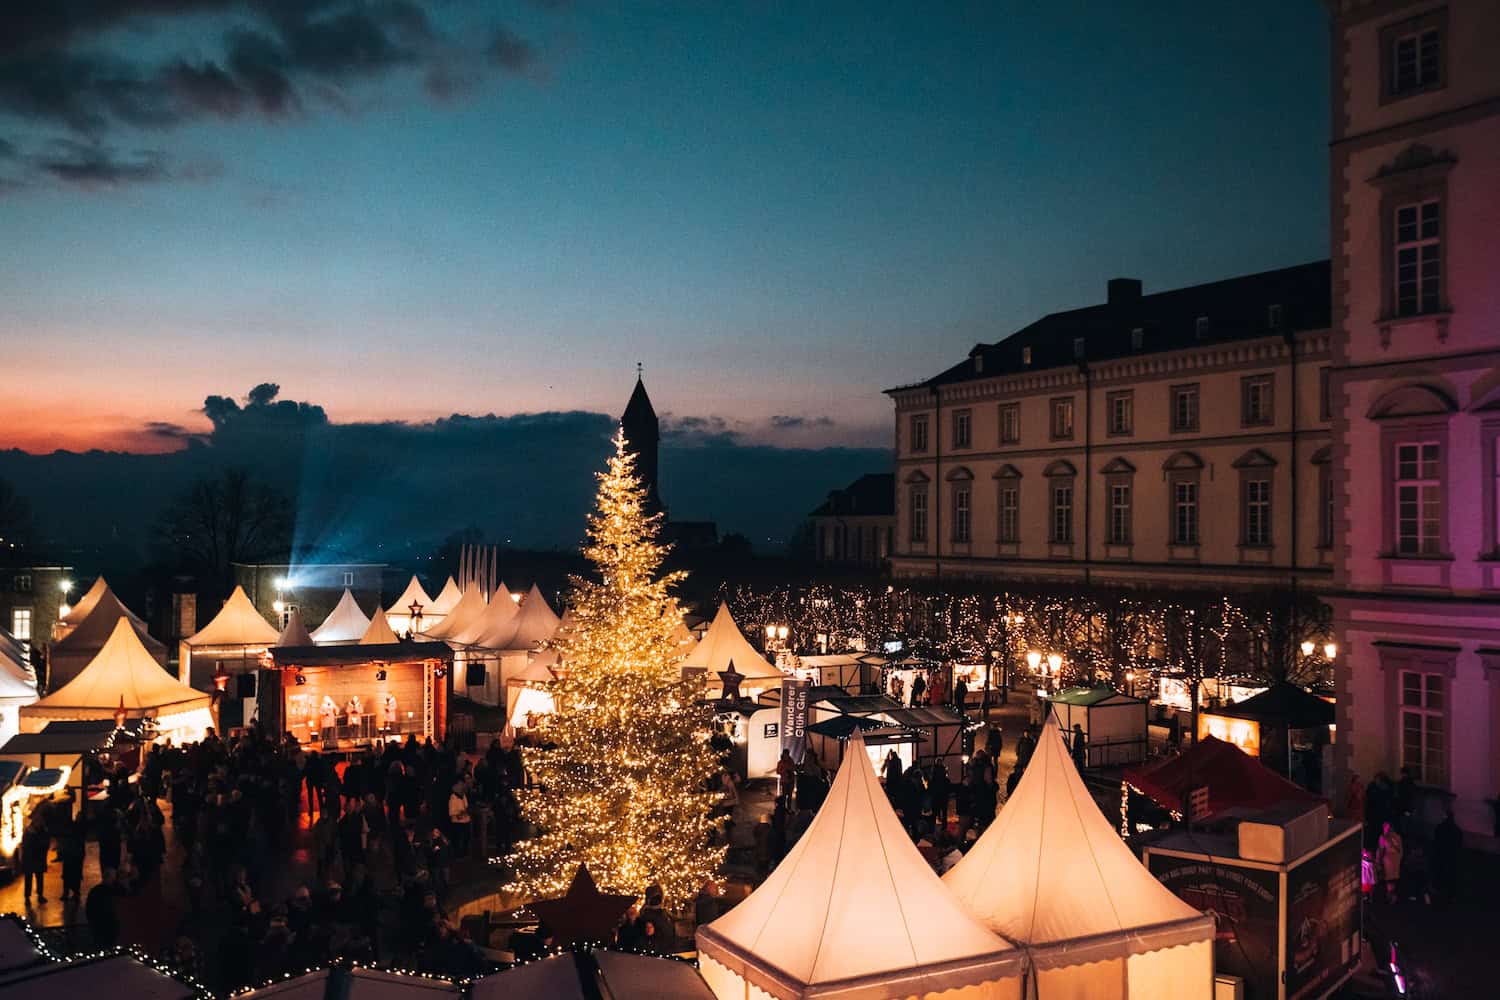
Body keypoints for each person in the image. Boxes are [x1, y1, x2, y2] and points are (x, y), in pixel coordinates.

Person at [1431, 804, 1463, 902]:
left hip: (1441, 854)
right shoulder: (1457, 831)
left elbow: (1436, 841)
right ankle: (1450, 894)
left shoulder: (1440, 828)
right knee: (1451, 874)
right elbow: (1458, 845)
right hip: (1452, 856)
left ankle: (1438, 890)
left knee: (1440, 872)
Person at [87, 868, 121, 948]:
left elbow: (89, 910)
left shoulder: (95, 891)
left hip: (98, 926)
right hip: (106, 926)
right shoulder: (113, 891)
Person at [20, 811, 49, 903]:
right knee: (29, 878)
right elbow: (26, 845)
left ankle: (39, 895)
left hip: (37, 858)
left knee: (39, 877)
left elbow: (45, 843)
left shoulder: (42, 831)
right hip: (31, 858)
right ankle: (28, 897)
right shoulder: (29, 832)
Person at [1377, 821, 1404, 903]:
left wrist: (1379, 860)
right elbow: (1400, 850)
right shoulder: (1397, 837)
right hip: (1394, 859)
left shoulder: (1384, 837)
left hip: (1388, 859)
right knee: (1392, 878)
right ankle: (1392, 896)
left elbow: (1381, 849)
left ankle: (1390, 896)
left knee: (1389, 878)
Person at [448, 781, 471, 857]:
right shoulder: (453, 798)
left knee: (466, 838)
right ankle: (458, 854)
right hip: (457, 822)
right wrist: (460, 813)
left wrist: (466, 811)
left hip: (466, 820)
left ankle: (465, 852)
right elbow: (452, 812)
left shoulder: (463, 796)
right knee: (458, 839)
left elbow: (466, 806)